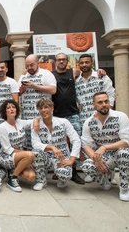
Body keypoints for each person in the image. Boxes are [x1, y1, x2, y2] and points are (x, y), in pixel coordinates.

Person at [80, 92, 129, 201]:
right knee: (87, 166)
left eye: (106, 101)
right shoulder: (89, 122)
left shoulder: (120, 116)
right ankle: (106, 176)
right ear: (93, 104)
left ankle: (124, 188)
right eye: (100, 102)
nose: (104, 104)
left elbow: (127, 141)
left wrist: (105, 147)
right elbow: (86, 145)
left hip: (120, 152)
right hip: (103, 156)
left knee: (124, 153)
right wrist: (96, 159)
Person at [51, 53, 85, 184]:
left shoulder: (74, 72)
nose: (61, 61)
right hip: (57, 114)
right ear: (55, 62)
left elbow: (88, 72)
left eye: (63, 59)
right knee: (57, 143)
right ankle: (59, 169)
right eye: (59, 60)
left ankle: (74, 171)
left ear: (67, 61)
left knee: (76, 141)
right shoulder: (51, 75)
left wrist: (100, 71)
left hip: (73, 113)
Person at [31, 97, 81, 189]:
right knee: (35, 153)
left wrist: (72, 159)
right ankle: (41, 180)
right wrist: (51, 148)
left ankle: (62, 180)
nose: (43, 110)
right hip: (47, 158)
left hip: (62, 158)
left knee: (64, 175)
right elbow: (35, 143)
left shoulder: (63, 122)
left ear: (52, 108)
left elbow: (76, 140)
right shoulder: (36, 125)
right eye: (41, 108)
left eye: (46, 107)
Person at [0, 100, 46, 192]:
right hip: (6, 156)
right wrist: (26, 153)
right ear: (5, 111)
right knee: (30, 155)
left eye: (13, 107)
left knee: (31, 177)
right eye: (8, 108)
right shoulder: (2, 127)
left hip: (21, 156)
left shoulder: (20, 122)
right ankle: (12, 178)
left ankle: (11, 171)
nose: (11, 109)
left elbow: (37, 120)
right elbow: (7, 149)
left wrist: (36, 121)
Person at [75, 54, 115, 127]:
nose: (84, 65)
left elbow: (111, 93)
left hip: (102, 116)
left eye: (87, 62)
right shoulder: (76, 81)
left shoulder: (101, 76)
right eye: (82, 63)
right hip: (84, 119)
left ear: (92, 63)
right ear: (78, 64)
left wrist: (109, 110)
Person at [18, 54, 57, 120]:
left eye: (32, 65)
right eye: (27, 66)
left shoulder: (46, 73)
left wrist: (34, 86)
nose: (29, 67)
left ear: (38, 63)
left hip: (43, 116)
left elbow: (53, 90)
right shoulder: (24, 76)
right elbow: (17, 93)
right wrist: (21, 91)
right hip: (27, 117)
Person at [0, 60, 19, 127]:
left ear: (6, 69)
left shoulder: (12, 82)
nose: (0, 69)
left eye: (2, 67)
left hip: (7, 119)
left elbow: (15, 101)